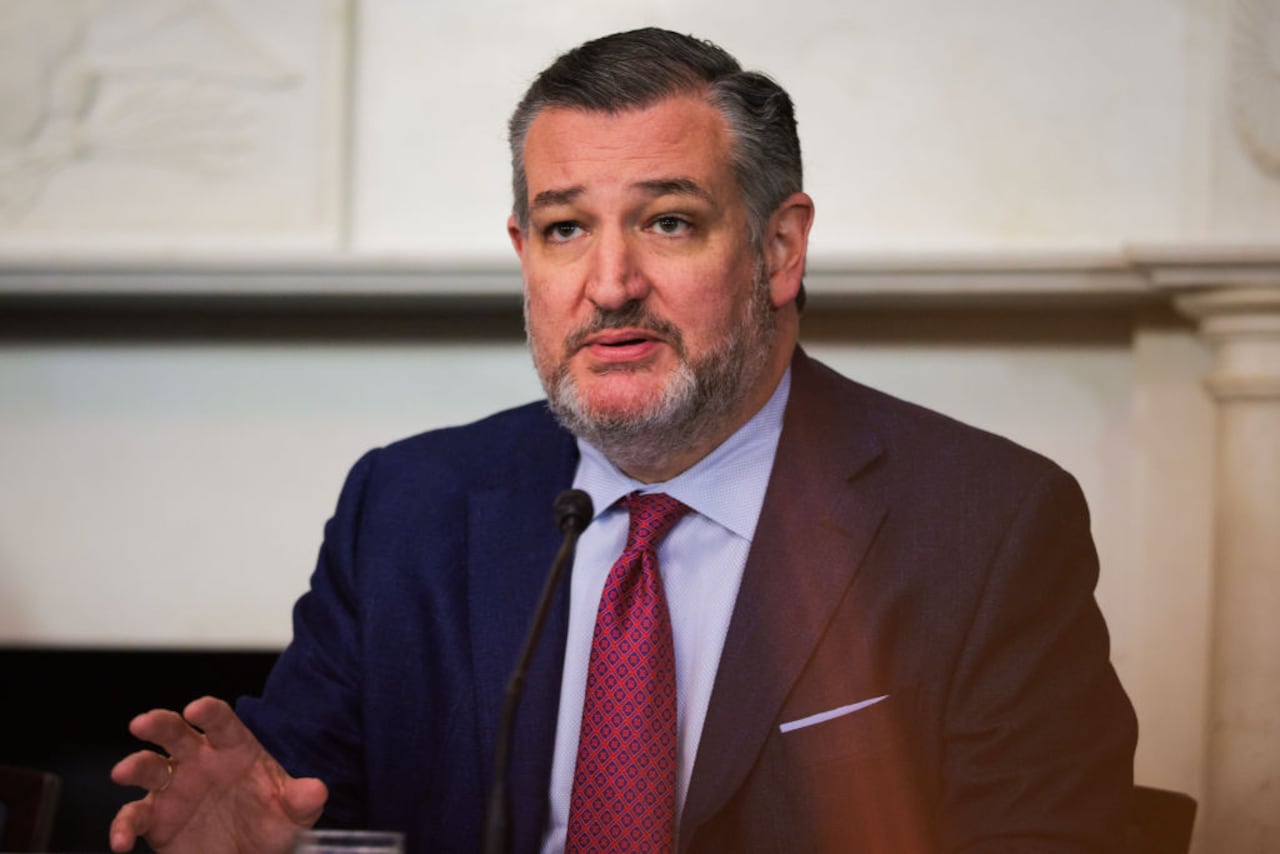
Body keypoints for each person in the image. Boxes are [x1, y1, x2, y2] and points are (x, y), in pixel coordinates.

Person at [110, 27, 1136, 853]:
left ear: (779, 249)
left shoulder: (985, 522)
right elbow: (296, 800)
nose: (608, 286)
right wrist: (265, 844)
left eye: (668, 222)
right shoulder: (406, 506)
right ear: (524, 254)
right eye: (565, 228)